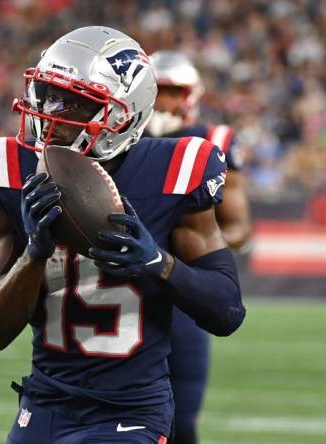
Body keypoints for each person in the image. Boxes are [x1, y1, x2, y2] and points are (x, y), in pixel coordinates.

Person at [0, 26, 245, 443]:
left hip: (131, 409)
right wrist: (33, 255)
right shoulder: (5, 166)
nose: (51, 115)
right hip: (44, 404)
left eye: (75, 103)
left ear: (121, 115)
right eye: (48, 95)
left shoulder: (177, 168)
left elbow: (227, 311)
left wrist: (158, 264)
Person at [145, 50, 252, 444]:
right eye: (156, 91)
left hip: (181, 289)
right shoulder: (115, 140)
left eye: (172, 91)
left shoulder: (213, 141)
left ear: (190, 95)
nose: (163, 102)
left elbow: (238, 226)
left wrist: (187, 241)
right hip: (124, 288)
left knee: (182, 424)